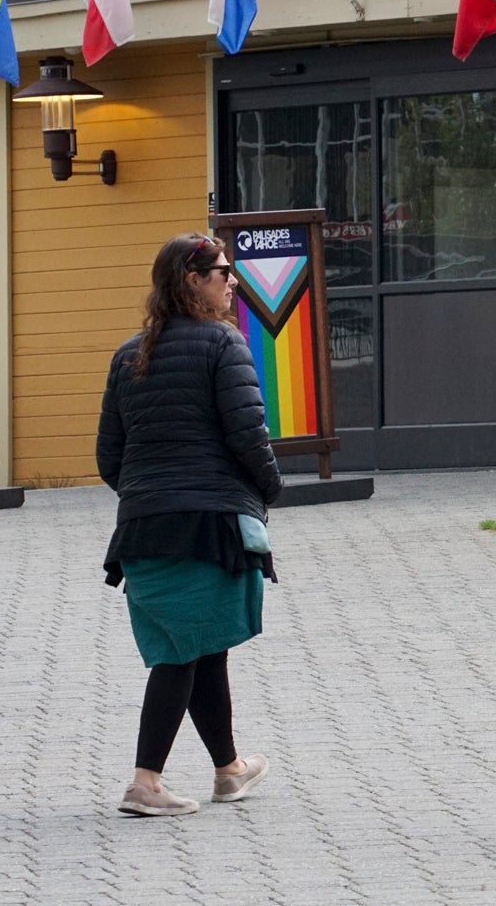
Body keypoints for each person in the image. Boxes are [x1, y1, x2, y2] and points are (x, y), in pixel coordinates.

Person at [98, 233, 283, 817]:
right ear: (191, 281)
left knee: (203, 646)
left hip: (144, 530)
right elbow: (249, 434)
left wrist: (147, 493)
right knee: (182, 652)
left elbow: (109, 457)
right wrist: (270, 488)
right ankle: (145, 782)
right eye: (221, 272)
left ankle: (228, 770)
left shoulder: (127, 356)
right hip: (207, 526)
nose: (232, 281)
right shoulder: (223, 345)